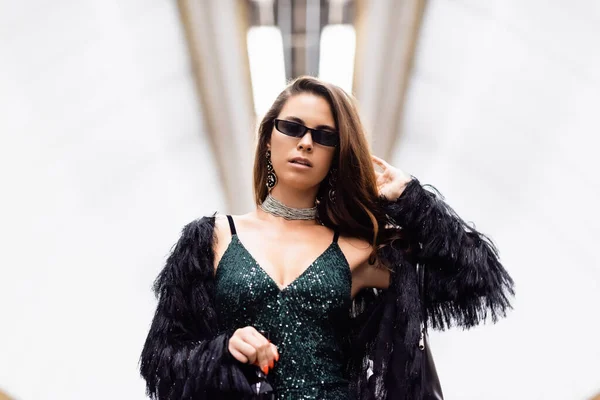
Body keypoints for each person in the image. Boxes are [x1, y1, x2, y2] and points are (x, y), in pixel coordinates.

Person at [139, 76, 514, 399]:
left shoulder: (357, 249)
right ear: (269, 137)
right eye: (292, 127)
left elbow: (478, 280)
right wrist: (224, 350)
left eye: (324, 136)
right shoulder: (214, 237)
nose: (305, 142)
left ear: (337, 154)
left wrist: (411, 198)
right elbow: (159, 358)